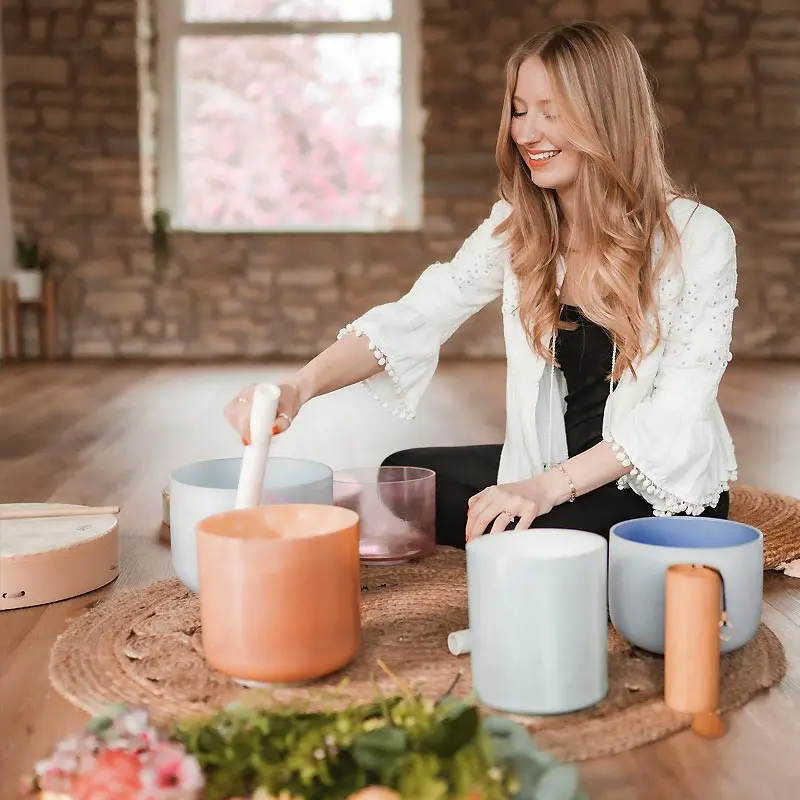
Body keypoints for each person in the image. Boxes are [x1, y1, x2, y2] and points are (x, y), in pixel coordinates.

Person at [224, 21, 739, 550]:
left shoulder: (697, 238)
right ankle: (530, 541)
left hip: (647, 486)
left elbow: (677, 415)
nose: (528, 133)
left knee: (520, 536)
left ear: (606, 116)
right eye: (520, 110)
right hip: (550, 460)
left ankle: (540, 545)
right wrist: (299, 387)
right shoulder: (518, 226)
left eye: (551, 112)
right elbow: (420, 314)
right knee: (404, 479)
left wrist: (540, 490)